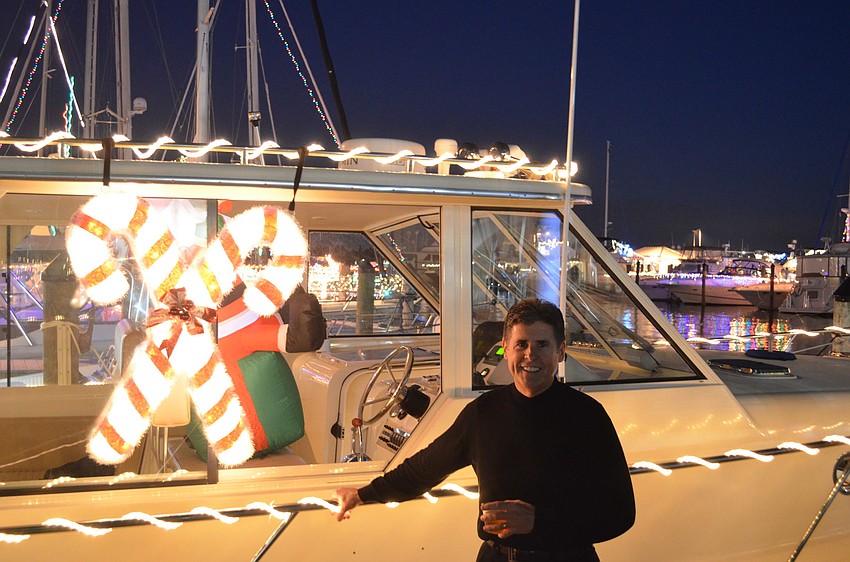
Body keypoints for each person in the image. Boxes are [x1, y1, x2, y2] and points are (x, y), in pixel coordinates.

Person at [335, 298, 635, 561]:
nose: (530, 355)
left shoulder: (587, 416)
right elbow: (424, 469)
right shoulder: (483, 413)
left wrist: (538, 521)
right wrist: (362, 495)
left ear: (561, 351)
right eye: (521, 344)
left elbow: (620, 513)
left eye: (542, 345)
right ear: (506, 349)